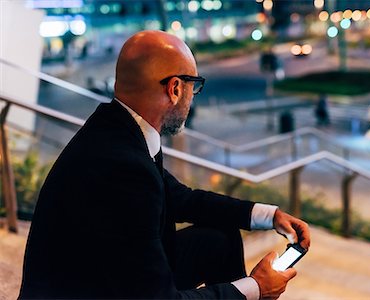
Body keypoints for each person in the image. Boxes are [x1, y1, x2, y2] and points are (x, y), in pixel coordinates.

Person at [19, 30, 310, 299]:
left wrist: (269, 216)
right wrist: (256, 288)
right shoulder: (123, 165)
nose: (191, 98)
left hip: (99, 275)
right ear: (174, 88)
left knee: (218, 237)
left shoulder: (118, 128)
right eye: (192, 87)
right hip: (87, 291)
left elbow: (180, 198)